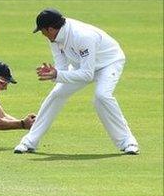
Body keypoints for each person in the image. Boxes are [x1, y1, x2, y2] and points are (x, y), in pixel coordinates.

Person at [14, 8, 139, 155]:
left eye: (43, 31)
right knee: (57, 94)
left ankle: (128, 142)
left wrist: (57, 74)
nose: (43, 35)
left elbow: (87, 75)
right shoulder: (53, 38)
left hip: (108, 63)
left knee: (102, 96)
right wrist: (54, 74)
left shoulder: (82, 36)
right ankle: (29, 141)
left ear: (51, 28)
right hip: (82, 65)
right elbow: (61, 67)